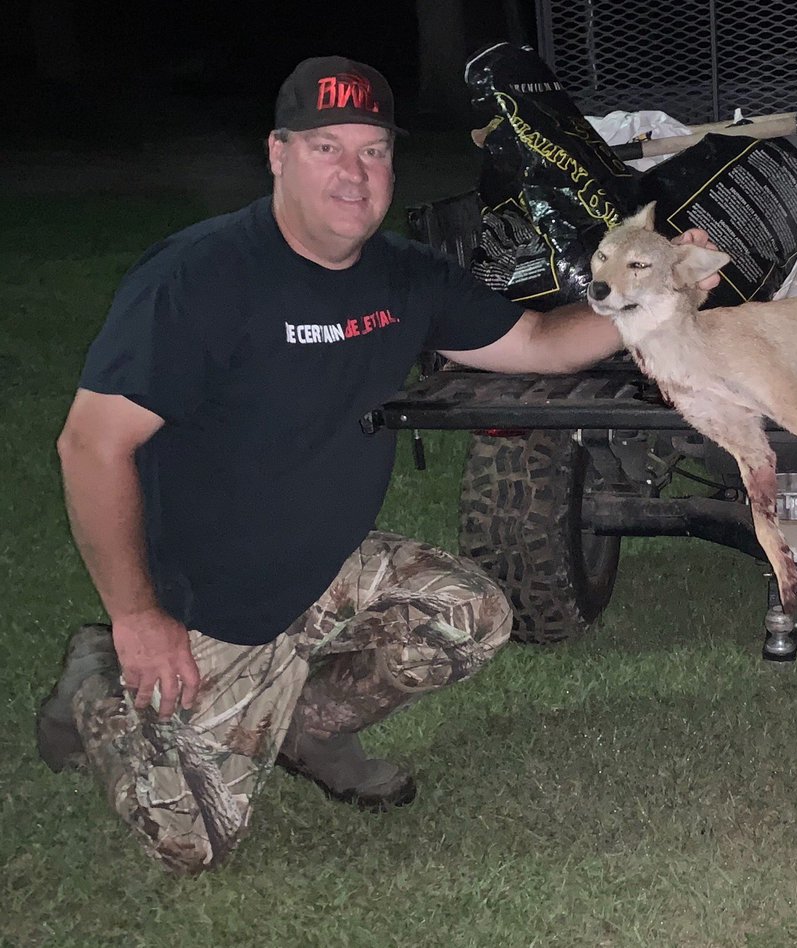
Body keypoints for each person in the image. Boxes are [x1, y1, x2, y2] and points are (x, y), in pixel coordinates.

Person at [38, 55, 720, 875]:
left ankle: (310, 729)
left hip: (324, 567)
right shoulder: (198, 278)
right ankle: (98, 682)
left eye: (373, 150)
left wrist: (659, 296)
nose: (354, 173)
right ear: (279, 154)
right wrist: (140, 619)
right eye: (328, 147)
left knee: (470, 614)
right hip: (209, 600)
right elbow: (90, 445)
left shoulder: (404, 276)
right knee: (194, 842)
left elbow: (539, 342)